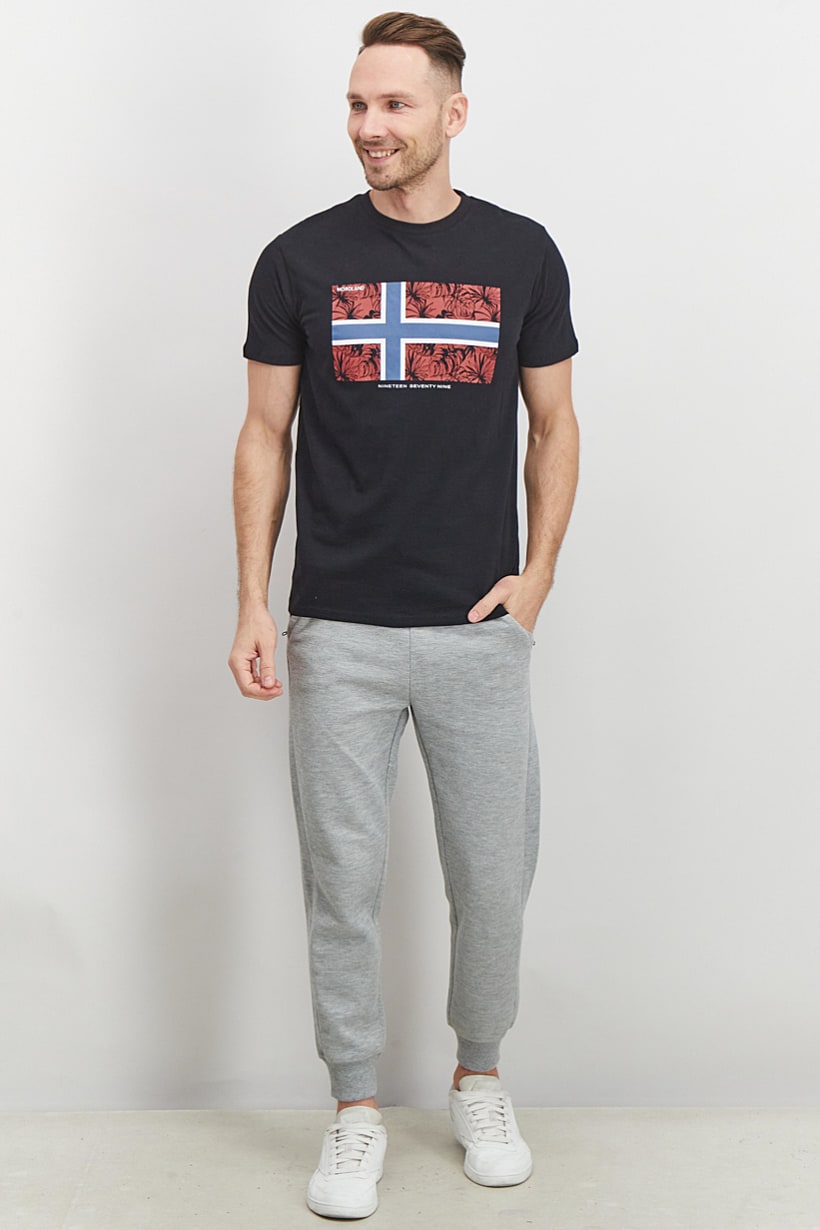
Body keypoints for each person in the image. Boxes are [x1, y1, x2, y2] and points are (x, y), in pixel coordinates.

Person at [229, 11, 579, 1220]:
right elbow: (264, 434)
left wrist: (535, 578)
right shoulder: (298, 260)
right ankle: (355, 1107)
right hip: (338, 626)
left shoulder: (521, 253)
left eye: (394, 105)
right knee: (343, 881)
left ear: (452, 113)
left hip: (478, 627)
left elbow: (555, 424)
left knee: (492, 874)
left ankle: (481, 1075)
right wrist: (252, 600)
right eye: (356, 104)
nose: (369, 127)